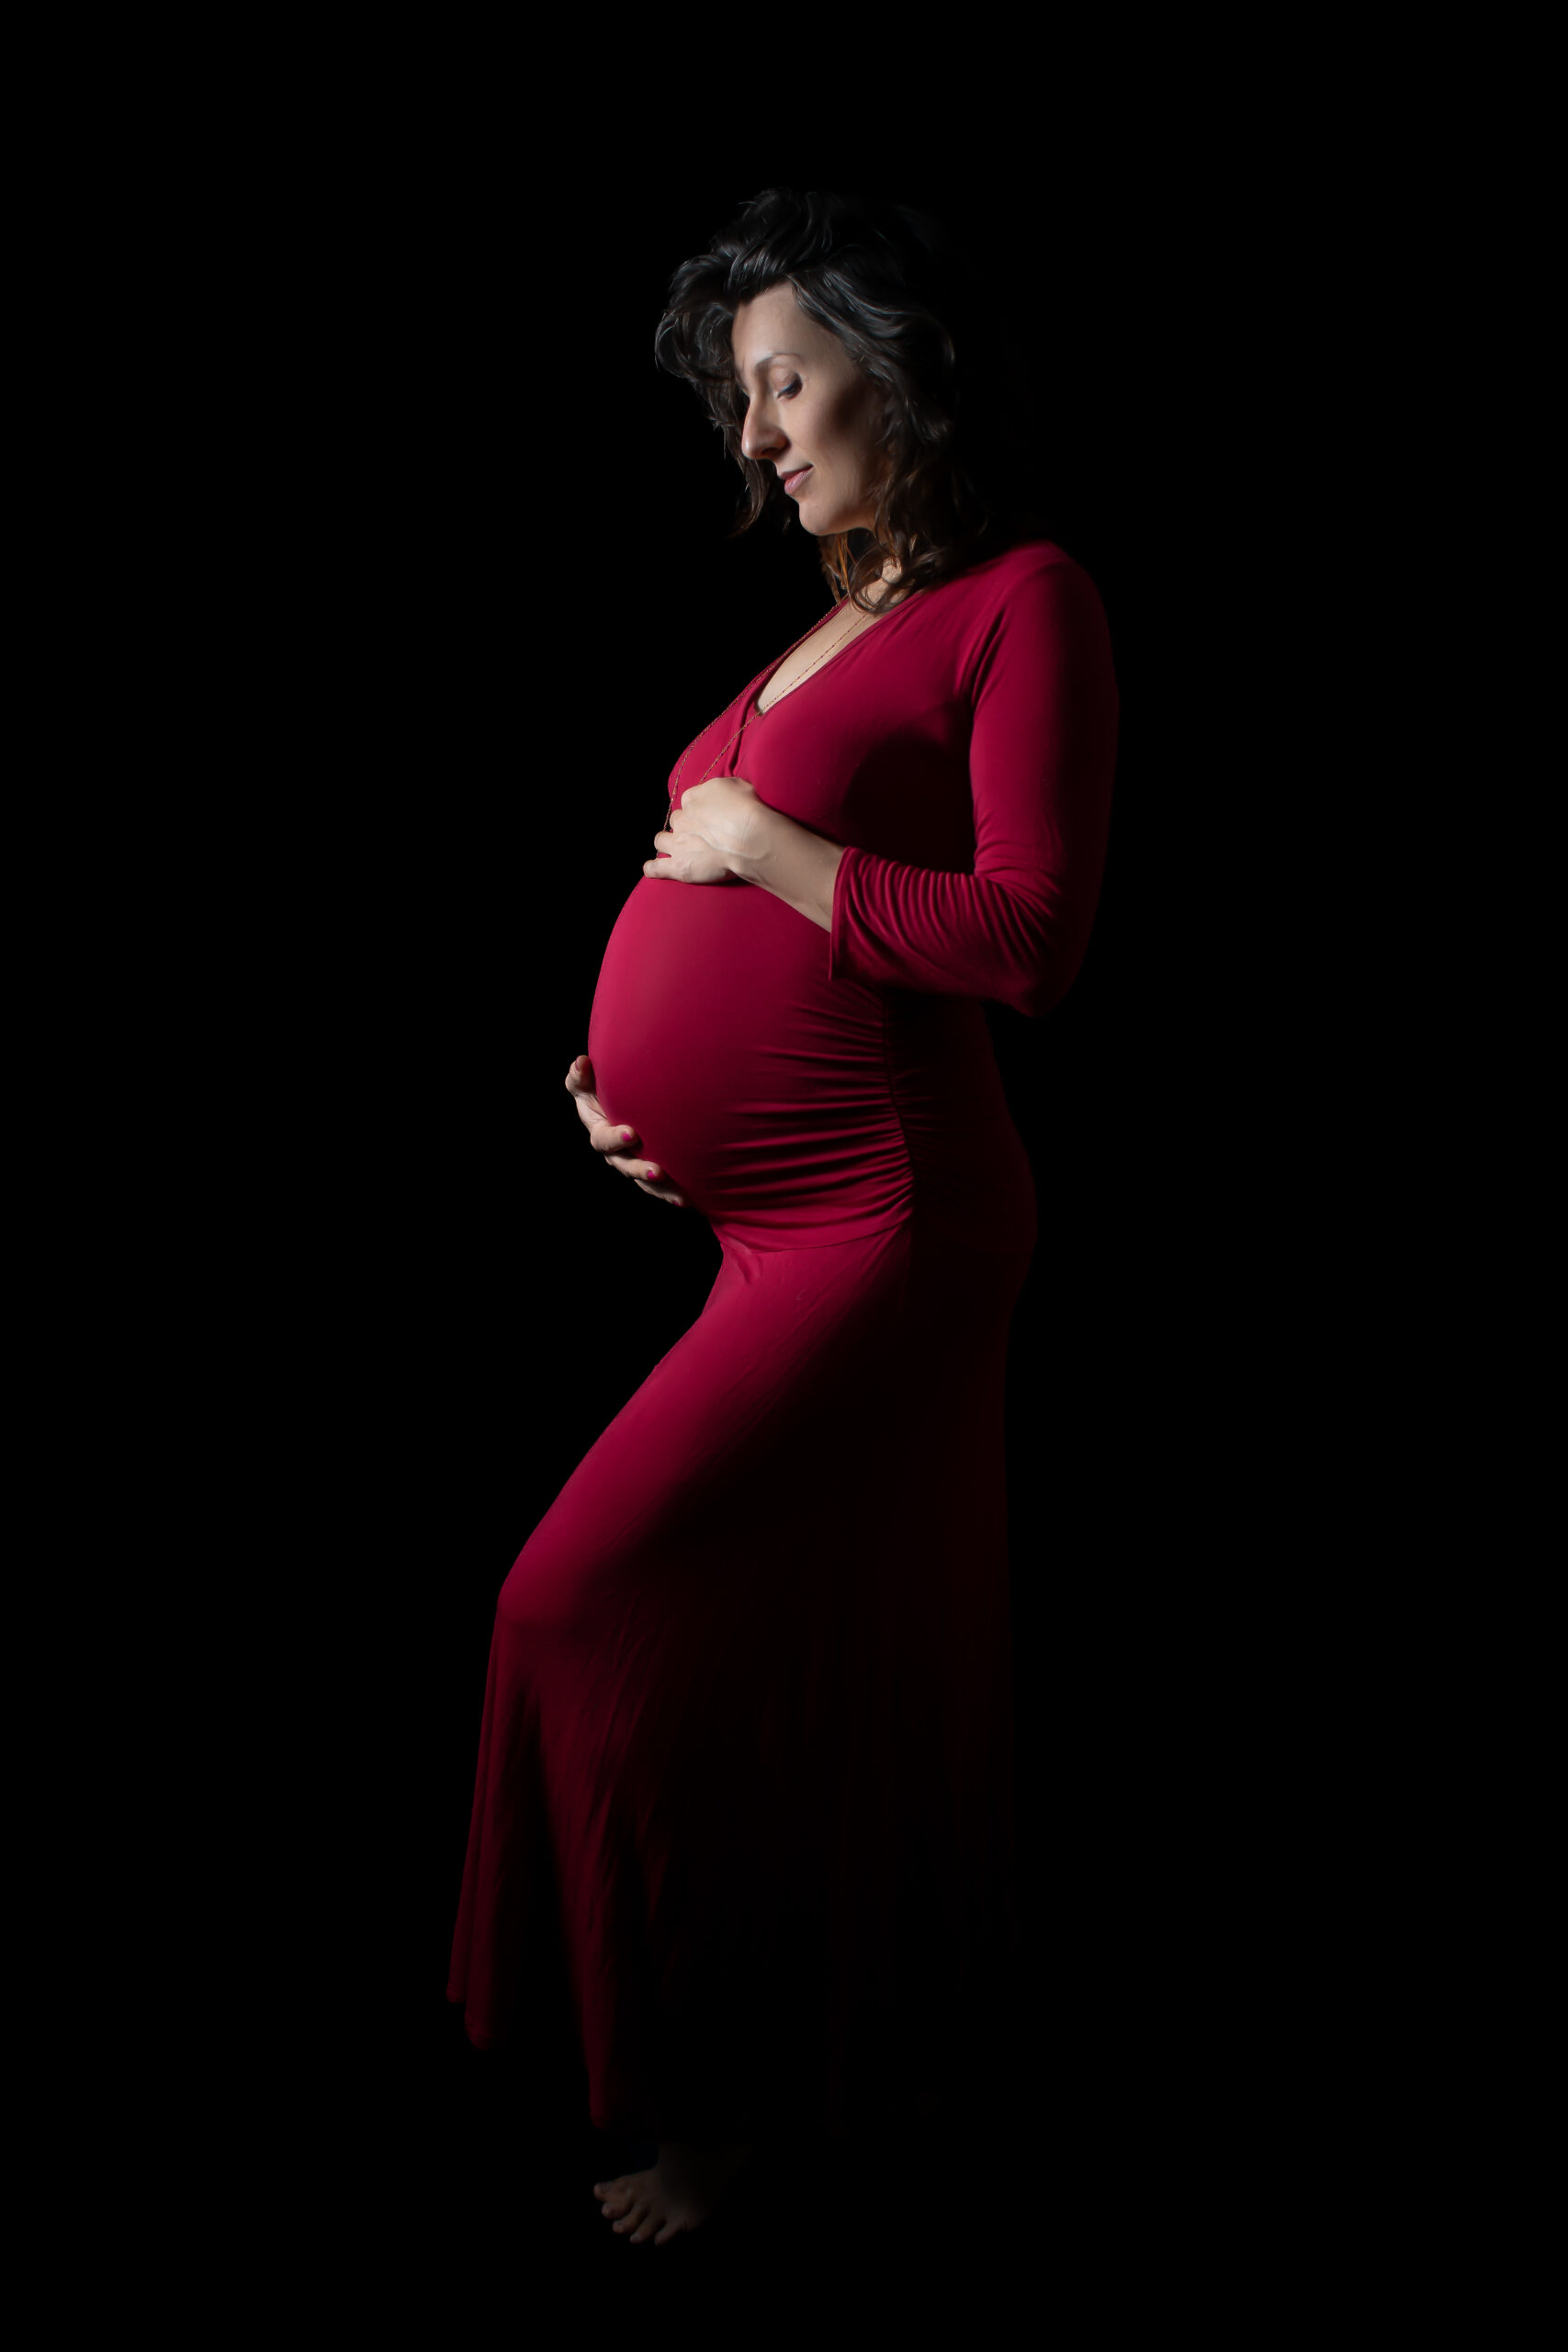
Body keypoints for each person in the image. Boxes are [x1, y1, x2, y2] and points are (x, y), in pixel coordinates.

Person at [446, 187, 1120, 2251]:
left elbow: (1026, 938)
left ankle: (704, 2095)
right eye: (736, 397)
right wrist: (621, 1096)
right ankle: (780, 2085)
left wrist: (761, 843)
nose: (750, 433)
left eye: (781, 382)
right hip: (770, 1223)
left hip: (890, 1217)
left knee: (574, 1601)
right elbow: (728, 946)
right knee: (802, 1665)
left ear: (894, 367)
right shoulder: (829, 622)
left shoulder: (1024, 600)